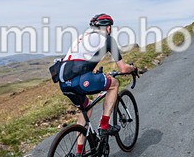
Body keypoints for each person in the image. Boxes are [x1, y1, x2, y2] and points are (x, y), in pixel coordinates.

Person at [58, 14, 136, 142]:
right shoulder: (107, 39)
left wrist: (91, 71)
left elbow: (81, 59)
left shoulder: (81, 38)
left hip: (64, 82)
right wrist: (133, 68)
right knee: (114, 84)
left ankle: (79, 154)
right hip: (81, 80)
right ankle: (104, 125)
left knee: (86, 108)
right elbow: (123, 69)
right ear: (108, 27)